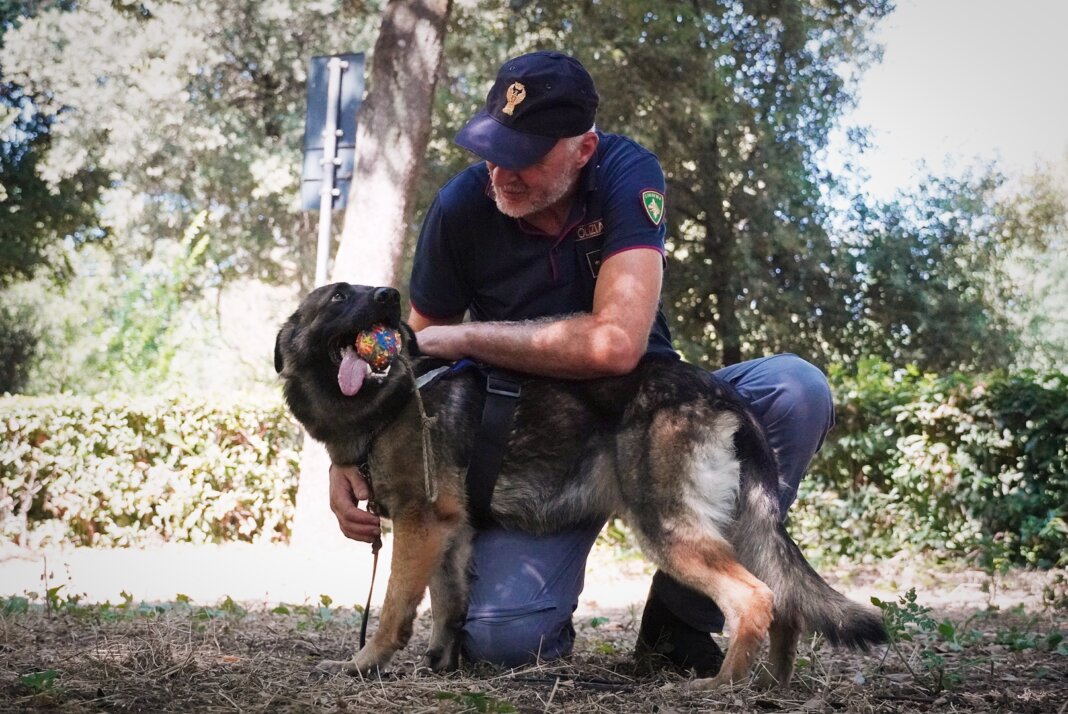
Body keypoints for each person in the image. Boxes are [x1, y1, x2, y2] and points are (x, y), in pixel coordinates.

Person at [328, 51, 834, 675]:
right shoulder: (460, 207)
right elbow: (410, 350)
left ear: (583, 149)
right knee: (500, 646)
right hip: (532, 451)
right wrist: (346, 450)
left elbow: (616, 346)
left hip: (649, 418)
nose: (502, 173)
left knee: (795, 387)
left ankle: (681, 623)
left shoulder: (626, 172)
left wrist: (468, 339)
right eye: (493, 149)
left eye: (526, 157)